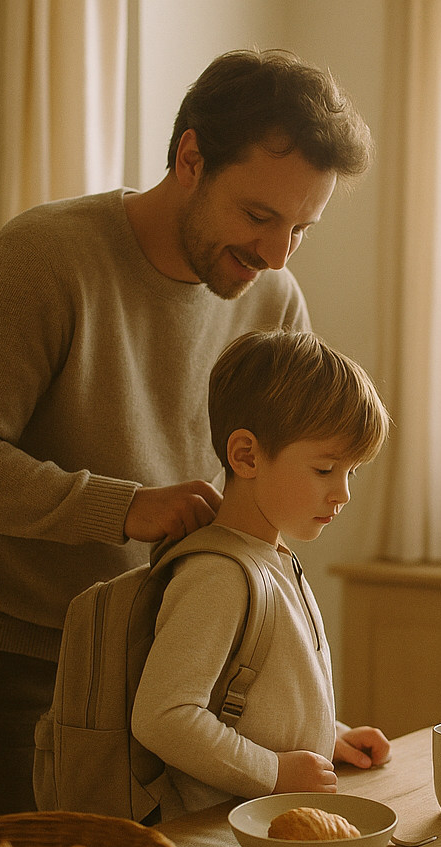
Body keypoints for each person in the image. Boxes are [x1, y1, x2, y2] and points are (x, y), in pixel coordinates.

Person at [0, 49, 373, 826]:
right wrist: (122, 508)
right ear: (191, 158)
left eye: (302, 229)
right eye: (259, 216)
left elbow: (261, 505)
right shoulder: (45, 258)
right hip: (4, 654)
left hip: (156, 658)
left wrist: (315, 725)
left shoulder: (274, 297)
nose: (275, 254)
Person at [130, 330, 392, 817]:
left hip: (265, 826)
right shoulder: (216, 575)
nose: (343, 494)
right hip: (219, 840)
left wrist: (329, 735)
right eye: (325, 469)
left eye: (350, 472)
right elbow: (163, 717)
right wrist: (272, 771)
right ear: (246, 456)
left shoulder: (275, 558)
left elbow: (261, 698)